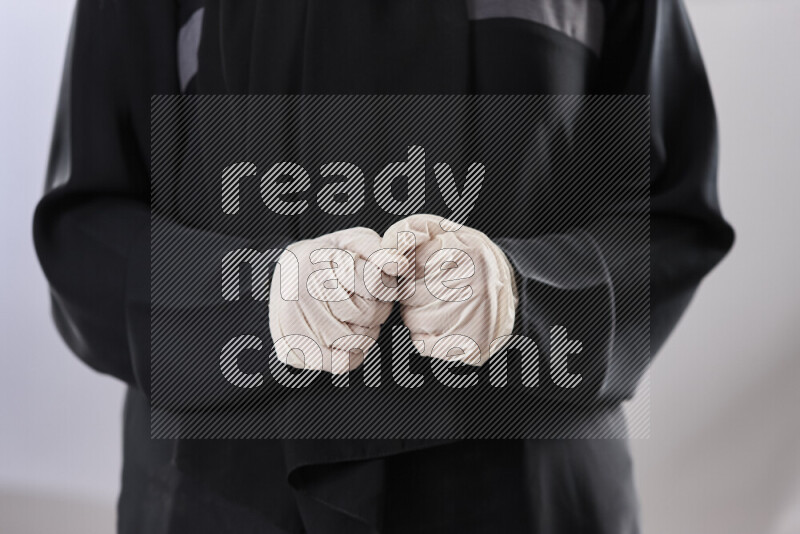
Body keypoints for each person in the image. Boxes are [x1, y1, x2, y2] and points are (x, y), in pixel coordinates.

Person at [33, 1, 734, 532]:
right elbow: (88, 225)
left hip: (531, 494)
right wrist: (255, 299)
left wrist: (529, 294)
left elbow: (667, 213)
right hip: (230, 496)